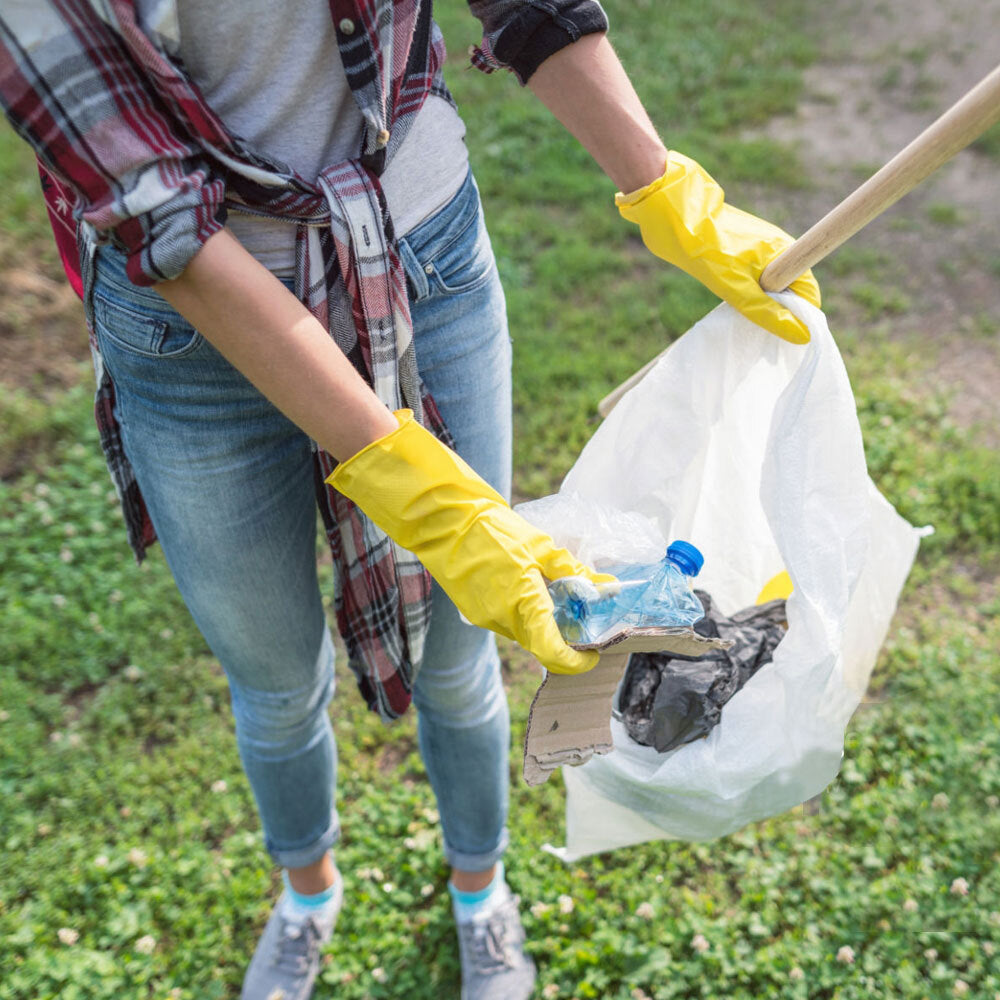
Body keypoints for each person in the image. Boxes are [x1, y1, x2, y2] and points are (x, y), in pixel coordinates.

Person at [1, 1, 820, 997]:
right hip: (192, 342)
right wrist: (436, 507)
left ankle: (479, 891)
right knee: (273, 680)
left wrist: (665, 191)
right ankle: (308, 893)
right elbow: (156, 214)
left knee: (459, 659)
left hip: (421, 260)